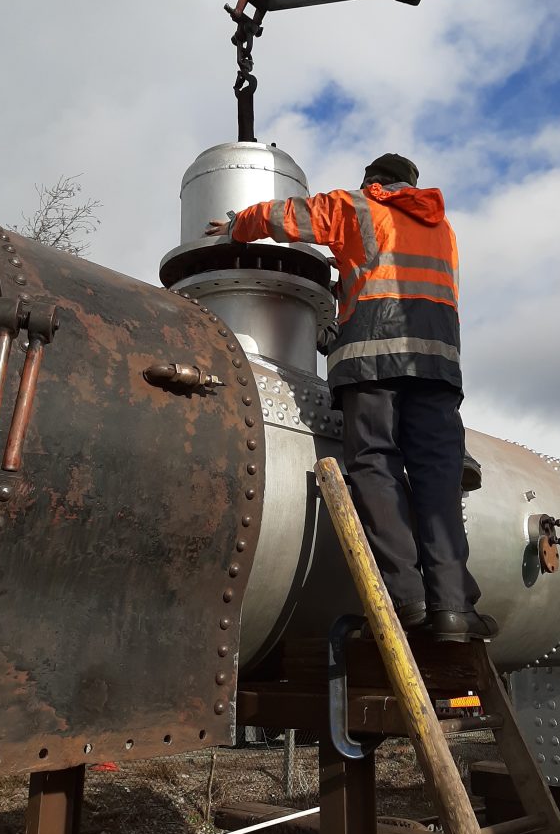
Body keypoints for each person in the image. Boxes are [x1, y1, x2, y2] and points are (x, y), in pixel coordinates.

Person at [206, 153, 497, 642]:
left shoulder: (357, 207)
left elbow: (290, 216)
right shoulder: (443, 230)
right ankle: (453, 608)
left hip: (371, 360)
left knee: (375, 465)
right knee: (437, 477)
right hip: (437, 365)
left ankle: (405, 598)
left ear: (373, 182)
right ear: (412, 186)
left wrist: (238, 224)